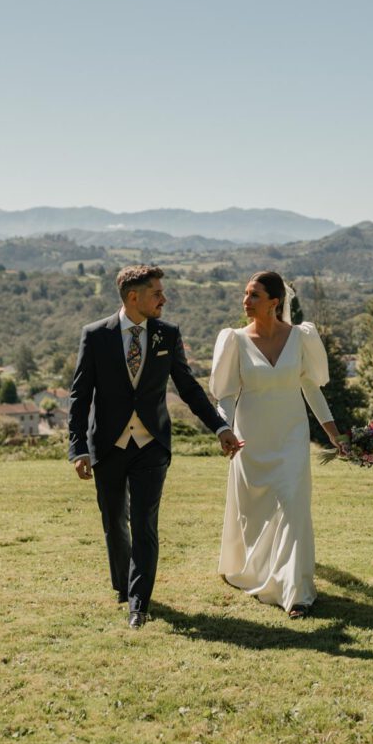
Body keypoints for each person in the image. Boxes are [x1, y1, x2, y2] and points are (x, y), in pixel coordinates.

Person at [68, 265, 240, 628]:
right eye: (157, 293)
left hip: (152, 446)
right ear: (134, 297)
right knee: (114, 522)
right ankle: (123, 586)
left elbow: (188, 388)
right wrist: (78, 448)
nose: (164, 299)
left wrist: (220, 426)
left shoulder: (167, 334)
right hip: (108, 445)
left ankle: (138, 604)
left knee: (144, 523)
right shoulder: (95, 336)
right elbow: (80, 396)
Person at [209, 271, 346, 619]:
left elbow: (312, 388)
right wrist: (223, 429)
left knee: (293, 506)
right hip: (249, 439)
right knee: (255, 513)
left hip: (291, 438)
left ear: (275, 301)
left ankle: (296, 593)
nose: (246, 301)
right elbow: (225, 394)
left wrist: (332, 433)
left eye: (254, 295)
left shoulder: (301, 337)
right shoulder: (234, 340)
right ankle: (256, 570)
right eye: (245, 294)